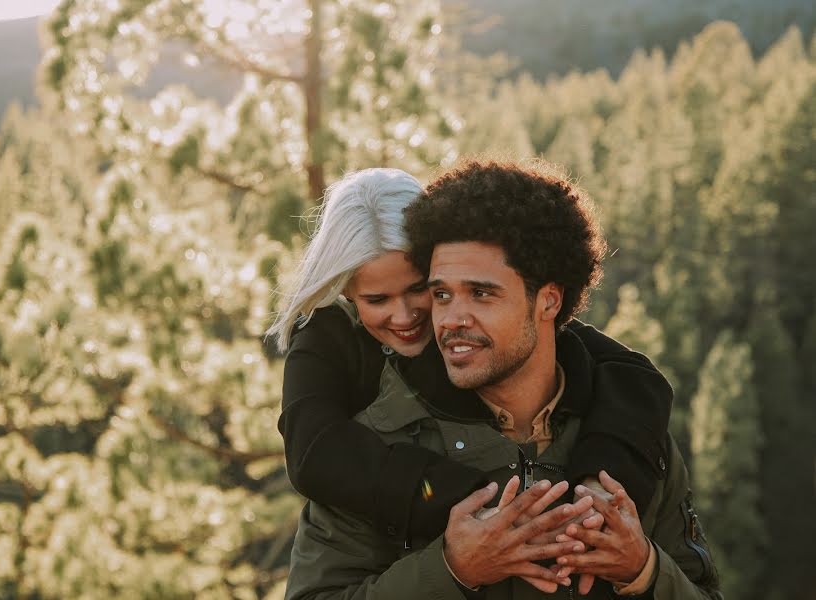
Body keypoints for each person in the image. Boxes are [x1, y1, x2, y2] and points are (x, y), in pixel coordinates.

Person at [284, 159, 721, 599]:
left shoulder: (632, 433)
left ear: (549, 301)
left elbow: (624, 368)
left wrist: (643, 572)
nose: (440, 318)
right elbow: (311, 449)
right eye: (441, 293)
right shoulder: (366, 433)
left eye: (481, 293)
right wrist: (451, 568)